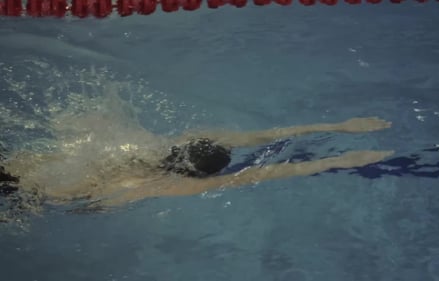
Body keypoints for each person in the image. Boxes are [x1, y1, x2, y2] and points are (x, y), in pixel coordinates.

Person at [0, 88, 393, 213]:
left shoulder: (182, 140)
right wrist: (342, 158)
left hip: (31, 166)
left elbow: (266, 134)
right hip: (45, 196)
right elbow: (262, 173)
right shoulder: (175, 186)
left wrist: (337, 127)